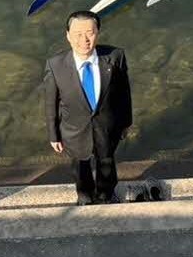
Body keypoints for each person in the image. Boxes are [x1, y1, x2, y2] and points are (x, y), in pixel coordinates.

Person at [44, 11, 132, 206]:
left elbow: (124, 93)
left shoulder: (115, 57)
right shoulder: (56, 65)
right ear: (68, 36)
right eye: (77, 34)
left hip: (107, 125)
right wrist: (53, 135)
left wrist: (126, 122)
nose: (84, 40)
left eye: (90, 33)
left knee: (106, 161)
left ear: (98, 32)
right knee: (80, 166)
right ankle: (84, 196)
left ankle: (106, 194)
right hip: (74, 129)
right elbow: (50, 102)